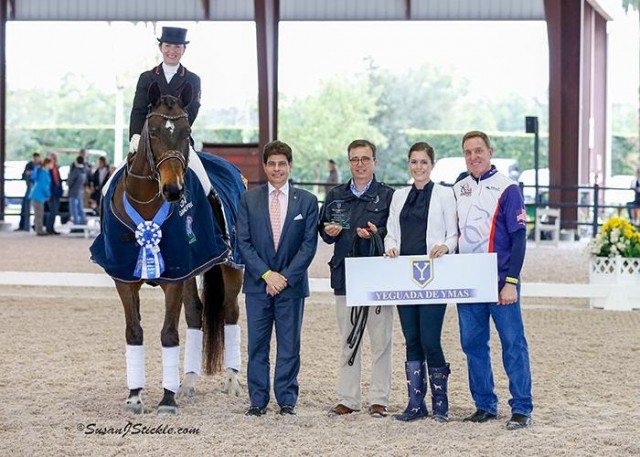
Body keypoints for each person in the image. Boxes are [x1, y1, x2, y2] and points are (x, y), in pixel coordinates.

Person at [453, 130, 533, 430]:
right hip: (467, 281)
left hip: (501, 283)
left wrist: (511, 281)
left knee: (513, 344)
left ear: (490, 151)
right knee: (473, 345)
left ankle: (522, 407)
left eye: (478, 150)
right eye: (468, 152)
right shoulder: (458, 188)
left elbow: (519, 239)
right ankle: (485, 404)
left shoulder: (508, 188)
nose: (473, 156)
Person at [237, 140, 318, 417]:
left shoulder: (306, 201)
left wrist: (284, 277)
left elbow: (309, 246)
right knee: (257, 345)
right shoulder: (248, 199)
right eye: (271, 164)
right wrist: (267, 275)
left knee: (289, 345)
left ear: (290, 166)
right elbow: (244, 243)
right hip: (258, 286)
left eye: (282, 164)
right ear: (264, 166)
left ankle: (286, 400)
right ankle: (257, 401)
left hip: (291, 286)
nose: (277, 169)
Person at [318, 139, 395, 418]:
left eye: (365, 158)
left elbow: (395, 233)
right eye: (355, 159)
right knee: (349, 340)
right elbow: (323, 230)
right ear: (349, 162)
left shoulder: (388, 196)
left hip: (378, 277)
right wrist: (330, 230)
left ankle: (379, 399)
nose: (360, 164)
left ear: (375, 161)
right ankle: (348, 398)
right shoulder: (336, 194)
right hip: (345, 275)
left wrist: (377, 233)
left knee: (381, 340)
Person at [384, 142, 458, 422]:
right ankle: (416, 403)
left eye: (423, 162)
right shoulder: (399, 196)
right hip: (405, 275)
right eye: (414, 162)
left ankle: (441, 402)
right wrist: (390, 246)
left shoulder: (444, 194)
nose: (418, 167)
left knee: (430, 339)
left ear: (432, 164)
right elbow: (391, 232)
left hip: (433, 276)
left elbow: (453, 234)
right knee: (411, 339)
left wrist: (446, 247)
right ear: (409, 164)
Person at [128, 26, 201, 153]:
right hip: (150, 138)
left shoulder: (193, 79)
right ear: (160, 47)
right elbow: (139, 109)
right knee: (122, 170)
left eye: (177, 46)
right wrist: (135, 135)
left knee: (199, 171)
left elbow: (191, 110)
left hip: (179, 140)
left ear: (184, 50)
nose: (172, 51)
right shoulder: (146, 77)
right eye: (167, 46)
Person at [15, 152, 41, 232]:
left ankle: (36, 224)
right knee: (26, 206)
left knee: (39, 208)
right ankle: (23, 225)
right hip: (30, 187)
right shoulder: (29, 165)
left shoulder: (40, 165)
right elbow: (24, 175)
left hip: (37, 188)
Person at [29, 157, 52, 236]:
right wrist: (48, 195)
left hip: (39, 196)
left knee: (39, 213)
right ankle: (39, 230)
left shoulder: (44, 172)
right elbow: (44, 186)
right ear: (47, 164)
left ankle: (39, 229)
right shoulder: (43, 173)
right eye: (51, 164)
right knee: (39, 213)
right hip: (38, 196)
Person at [67, 155, 87, 226]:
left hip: (74, 192)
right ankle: (83, 221)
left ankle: (76, 223)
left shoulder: (75, 171)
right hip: (80, 192)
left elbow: (70, 182)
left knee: (74, 209)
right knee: (80, 208)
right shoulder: (83, 170)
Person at [45, 153, 62, 235]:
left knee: (55, 211)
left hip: (57, 193)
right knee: (52, 211)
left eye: (54, 159)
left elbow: (59, 180)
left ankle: (52, 228)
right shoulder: (48, 170)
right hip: (51, 193)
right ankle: (49, 228)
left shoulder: (56, 168)